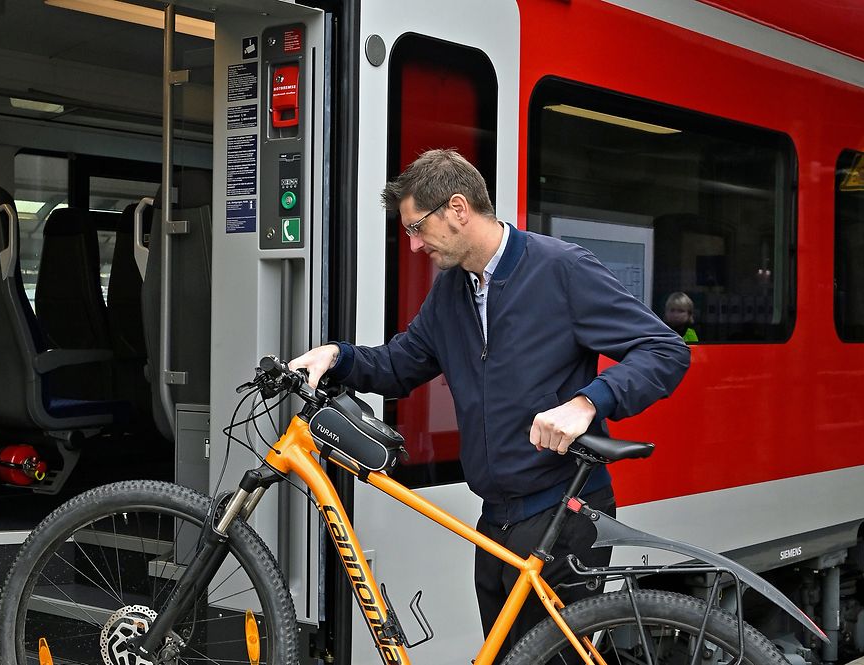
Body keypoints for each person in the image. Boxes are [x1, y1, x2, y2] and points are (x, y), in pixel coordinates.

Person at [289, 149, 690, 657]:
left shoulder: (561, 269)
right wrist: (337, 356)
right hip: (496, 520)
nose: (413, 246)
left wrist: (589, 402)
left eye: (416, 228)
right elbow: (399, 365)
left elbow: (665, 350)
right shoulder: (452, 291)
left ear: (458, 208)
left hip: (562, 512)